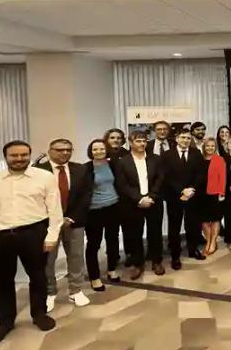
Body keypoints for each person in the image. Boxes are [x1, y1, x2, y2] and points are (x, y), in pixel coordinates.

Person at [0, 140, 61, 347]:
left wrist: (51, 236)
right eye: (14, 155)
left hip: (33, 234)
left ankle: (39, 314)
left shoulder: (44, 177)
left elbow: (55, 210)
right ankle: (5, 322)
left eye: (24, 155)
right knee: (2, 281)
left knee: (38, 277)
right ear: (6, 157)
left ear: (29, 155)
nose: (19, 159)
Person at [36, 138, 92, 311]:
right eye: (60, 150)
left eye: (68, 149)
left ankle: (76, 290)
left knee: (76, 256)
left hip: (73, 222)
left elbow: (86, 195)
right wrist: (54, 220)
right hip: (46, 223)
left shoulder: (80, 169)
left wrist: (70, 218)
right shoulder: (38, 171)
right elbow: (34, 199)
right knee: (47, 259)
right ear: (50, 151)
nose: (65, 153)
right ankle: (50, 292)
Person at [114, 131, 163, 280]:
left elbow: (160, 179)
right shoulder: (122, 162)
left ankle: (156, 261)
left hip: (153, 202)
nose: (142, 144)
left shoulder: (155, 159)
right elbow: (122, 184)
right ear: (130, 143)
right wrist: (139, 199)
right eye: (138, 141)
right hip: (133, 203)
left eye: (144, 141)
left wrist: (151, 197)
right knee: (135, 234)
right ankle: (138, 264)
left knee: (155, 233)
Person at [161, 130, 206, 269]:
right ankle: (175, 256)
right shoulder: (167, 155)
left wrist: (191, 189)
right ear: (176, 138)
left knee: (193, 225)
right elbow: (166, 176)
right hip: (175, 196)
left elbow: (201, 173)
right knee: (174, 227)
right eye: (183, 137)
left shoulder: (196, 153)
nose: (185, 140)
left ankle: (193, 250)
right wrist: (182, 190)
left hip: (193, 196)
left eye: (188, 138)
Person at [84, 139, 120, 292]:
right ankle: (95, 277)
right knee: (94, 244)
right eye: (95, 149)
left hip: (113, 207)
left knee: (113, 240)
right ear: (90, 152)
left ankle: (112, 269)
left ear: (106, 150)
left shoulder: (113, 165)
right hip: (94, 210)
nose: (98, 152)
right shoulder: (86, 168)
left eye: (101, 149)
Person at [200, 138, 227, 256]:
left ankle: (213, 242)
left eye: (212, 146)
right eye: (207, 146)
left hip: (215, 193)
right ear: (204, 147)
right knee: (204, 220)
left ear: (215, 147)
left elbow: (223, 177)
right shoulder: (199, 159)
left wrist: (222, 193)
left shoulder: (219, 160)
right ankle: (208, 240)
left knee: (215, 219)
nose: (210, 148)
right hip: (201, 194)